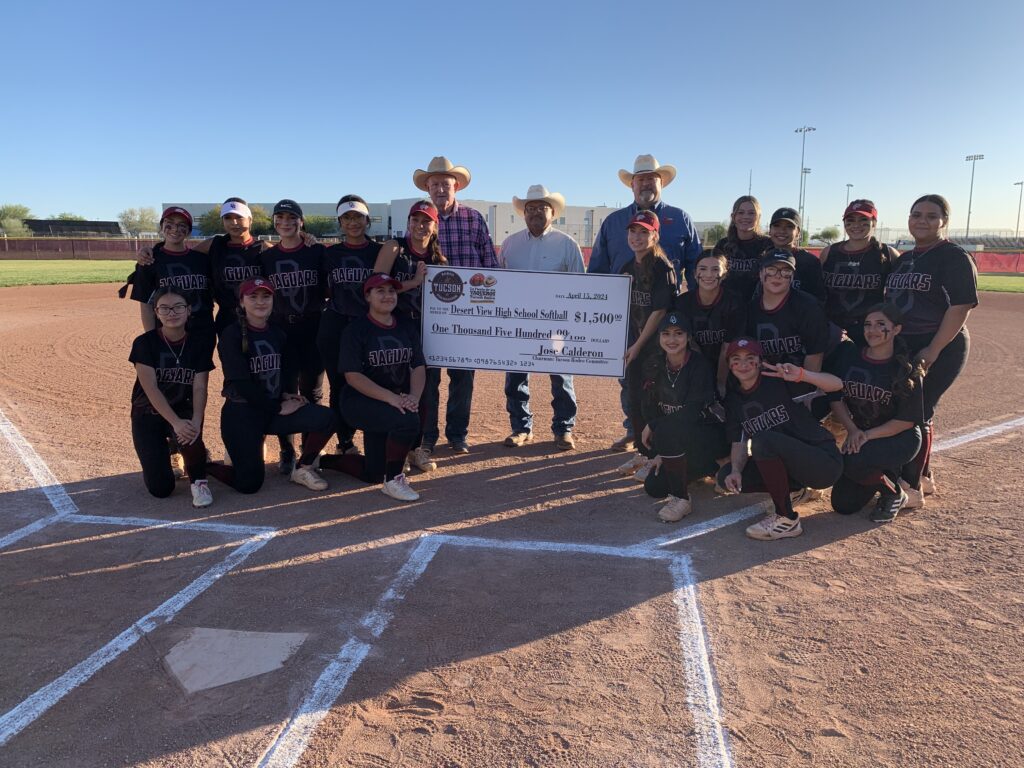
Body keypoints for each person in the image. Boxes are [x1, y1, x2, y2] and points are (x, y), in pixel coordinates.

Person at [587, 154, 702, 451]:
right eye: (641, 179)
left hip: (664, 321)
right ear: (632, 185)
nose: (646, 184)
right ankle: (634, 431)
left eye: (653, 178)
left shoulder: (680, 219)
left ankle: (659, 439)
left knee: (663, 380)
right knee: (630, 379)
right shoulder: (613, 222)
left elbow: (697, 268)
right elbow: (598, 270)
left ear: (661, 183)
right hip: (622, 319)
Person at [885, 194, 978, 508]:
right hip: (906, 345)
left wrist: (934, 349)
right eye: (916, 214)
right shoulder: (905, 259)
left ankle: (910, 488)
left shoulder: (952, 256)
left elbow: (961, 305)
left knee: (914, 412)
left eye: (931, 216)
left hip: (941, 344)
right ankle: (924, 476)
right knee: (918, 410)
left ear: (944, 221)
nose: (922, 221)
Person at [206, 278, 336, 495]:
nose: (260, 301)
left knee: (327, 418)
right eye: (253, 296)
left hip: (272, 409)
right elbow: (241, 384)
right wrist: (277, 408)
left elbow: (286, 370)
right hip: (243, 412)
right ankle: (203, 466)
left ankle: (302, 468)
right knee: (249, 484)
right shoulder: (232, 334)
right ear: (241, 302)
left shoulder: (277, 332)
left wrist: (286, 395)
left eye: (266, 296)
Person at [412, 156, 500, 456]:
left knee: (463, 377)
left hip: (468, 313)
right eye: (434, 184)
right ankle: (427, 435)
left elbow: (489, 263)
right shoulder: (420, 219)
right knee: (429, 379)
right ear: (428, 187)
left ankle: (457, 433)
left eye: (445, 185)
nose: (440, 189)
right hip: (429, 313)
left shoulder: (474, 218)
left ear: (456, 187)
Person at [717, 338, 844, 540]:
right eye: (736, 359)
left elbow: (836, 384)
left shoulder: (778, 381)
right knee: (726, 477)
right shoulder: (734, 400)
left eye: (750, 358)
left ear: (759, 362)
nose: (743, 364)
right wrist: (735, 471)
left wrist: (802, 374)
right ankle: (795, 489)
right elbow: (739, 442)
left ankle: (786, 518)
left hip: (823, 461)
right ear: (729, 364)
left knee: (763, 441)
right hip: (794, 466)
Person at [318, 274, 426, 503]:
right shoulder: (356, 330)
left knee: (373, 473)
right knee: (408, 420)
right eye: (380, 291)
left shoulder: (406, 326)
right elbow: (353, 376)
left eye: (392, 291)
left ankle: (323, 461)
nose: (388, 296)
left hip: (393, 400)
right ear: (367, 296)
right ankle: (394, 479)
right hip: (360, 400)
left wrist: (414, 397)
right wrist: (393, 399)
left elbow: (417, 366)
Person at [126, 206, 215, 480]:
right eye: (170, 224)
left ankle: (188, 440)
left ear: (189, 230)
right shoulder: (151, 261)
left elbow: (221, 241)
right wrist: (155, 339)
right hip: (166, 334)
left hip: (200, 332)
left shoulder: (200, 258)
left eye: (182, 225)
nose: (175, 229)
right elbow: (145, 302)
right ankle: (171, 444)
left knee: (194, 387)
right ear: (162, 226)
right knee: (165, 383)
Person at [499, 185, 585, 451]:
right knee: (515, 377)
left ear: (552, 212)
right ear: (524, 214)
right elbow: (500, 284)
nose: (536, 212)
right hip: (519, 324)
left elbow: (581, 286)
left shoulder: (568, 245)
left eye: (541, 208)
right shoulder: (510, 245)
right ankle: (521, 428)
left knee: (561, 377)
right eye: (530, 209)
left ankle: (564, 429)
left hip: (557, 326)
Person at [827, 304, 924, 523]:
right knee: (843, 504)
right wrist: (852, 430)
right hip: (860, 433)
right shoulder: (850, 355)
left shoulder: (906, 368)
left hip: (899, 439)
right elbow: (835, 397)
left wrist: (865, 437)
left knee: (854, 460)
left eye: (881, 325)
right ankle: (886, 473)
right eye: (868, 324)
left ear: (896, 329)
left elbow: (905, 422)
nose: (872, 330)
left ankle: (893, 493)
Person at [373, 200, 447, 473]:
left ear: (435, 226)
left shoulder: (439, 259)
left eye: (426, 220)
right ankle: (398, 449)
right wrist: (414, 282)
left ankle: (419, 447)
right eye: (415, 220)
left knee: (426, 390)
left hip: (427, 330)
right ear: (408, 223)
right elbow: (376, 285)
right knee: (397, 386)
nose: (420, 225)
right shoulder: (395, 247)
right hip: (395, 327)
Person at [129, 287, 214, 507]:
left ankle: (199, 481)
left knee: (191, 434)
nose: (171, 313)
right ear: (156, 313)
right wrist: (174, 423)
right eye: (164, 308)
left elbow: (199, 387)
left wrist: (195, 421)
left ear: (188, 311)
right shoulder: (144, 343)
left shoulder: (199, 343)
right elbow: (151, 388)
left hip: (182, 408)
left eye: (178, 307)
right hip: (147, 412)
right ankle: (169, 450)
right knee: (161, 489)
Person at [639, 312, 728, 522]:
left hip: (710, 434)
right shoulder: (654, 364)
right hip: (678, 437)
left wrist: (655, 427)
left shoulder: (699, 365)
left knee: (669, 429)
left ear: (688, 337)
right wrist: (659, 452)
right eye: (666, 334)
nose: (672, 340)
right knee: (654, 486)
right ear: (659, 337)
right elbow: (649, 407)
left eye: (679, 334)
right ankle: (713, 467)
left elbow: (691, 413)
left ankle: (681, 498)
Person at [261, 199, 327, 473]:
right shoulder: (266, 257)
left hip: (312, 327)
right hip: (281, 330)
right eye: (280, 218)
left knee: (313, 390)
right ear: (274, 222)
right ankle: (286, 450)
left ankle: (309, 450)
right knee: (285, 390)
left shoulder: (317, 252)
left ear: (301, 221)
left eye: (291, 217)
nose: (285, 223)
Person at [614, 210, 678, 481]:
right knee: (635, 399)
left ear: (655, 235)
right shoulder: (628, 267)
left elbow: (659, 312)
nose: (637, 237)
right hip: (633, 346)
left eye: (644, 232)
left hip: (655, 348)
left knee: (653, 402)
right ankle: (642, 452)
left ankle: (656, 457)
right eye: (633, 232)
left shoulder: (663, 267)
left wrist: (638, 345)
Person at [318, 195, 381, 457]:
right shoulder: (329, 254)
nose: (353, 222)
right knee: (339, 385)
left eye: (358, 217)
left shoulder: (380, 251)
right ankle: (344, 442)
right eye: (347, 217)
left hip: (368, 326)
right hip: (336, 323)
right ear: (340, 223)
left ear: (367, 220)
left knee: (374, 383)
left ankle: (376, 441)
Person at [745, 250, 829, 390]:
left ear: (792, 277)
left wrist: (806, 391)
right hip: (768, 382)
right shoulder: (750, 309)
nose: (777, 276)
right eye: (771, 270)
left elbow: (815, 354)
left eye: (785, 271)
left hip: (801, 379)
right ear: (760, 274)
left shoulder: (808, 307)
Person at [818, 200, 896, 346]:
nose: (856, 225)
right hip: (832, 330)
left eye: (863, 220)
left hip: (871, 333)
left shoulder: (888, 253)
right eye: (850, 220)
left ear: (874, 222)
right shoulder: (829, 252)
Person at [674, 249, 746, 394]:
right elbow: (688, 343)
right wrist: (703, 377)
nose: (708, 275)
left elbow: (727, 347)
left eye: (715, 270)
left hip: (727, 366)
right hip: (695, 364)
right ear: (695, 274)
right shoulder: (682, 303)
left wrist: (720, 383)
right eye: (703, 269)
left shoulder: (734, 302)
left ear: (724, 274)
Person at [715, 196, 773, 300]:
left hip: (758, 306)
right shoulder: (723, 245)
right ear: (733, 217)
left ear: (758, 217)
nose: (745, 217)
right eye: (741, 212)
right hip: (727, 306)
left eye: (751, 213)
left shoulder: (767, 244)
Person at [765, 207, 826, 304]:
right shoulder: (763, 258)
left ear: (798, 233)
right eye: (777, 225)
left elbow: (818, 299)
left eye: (789, 226)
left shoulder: (809, 262)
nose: (782, 230)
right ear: (770, 230)